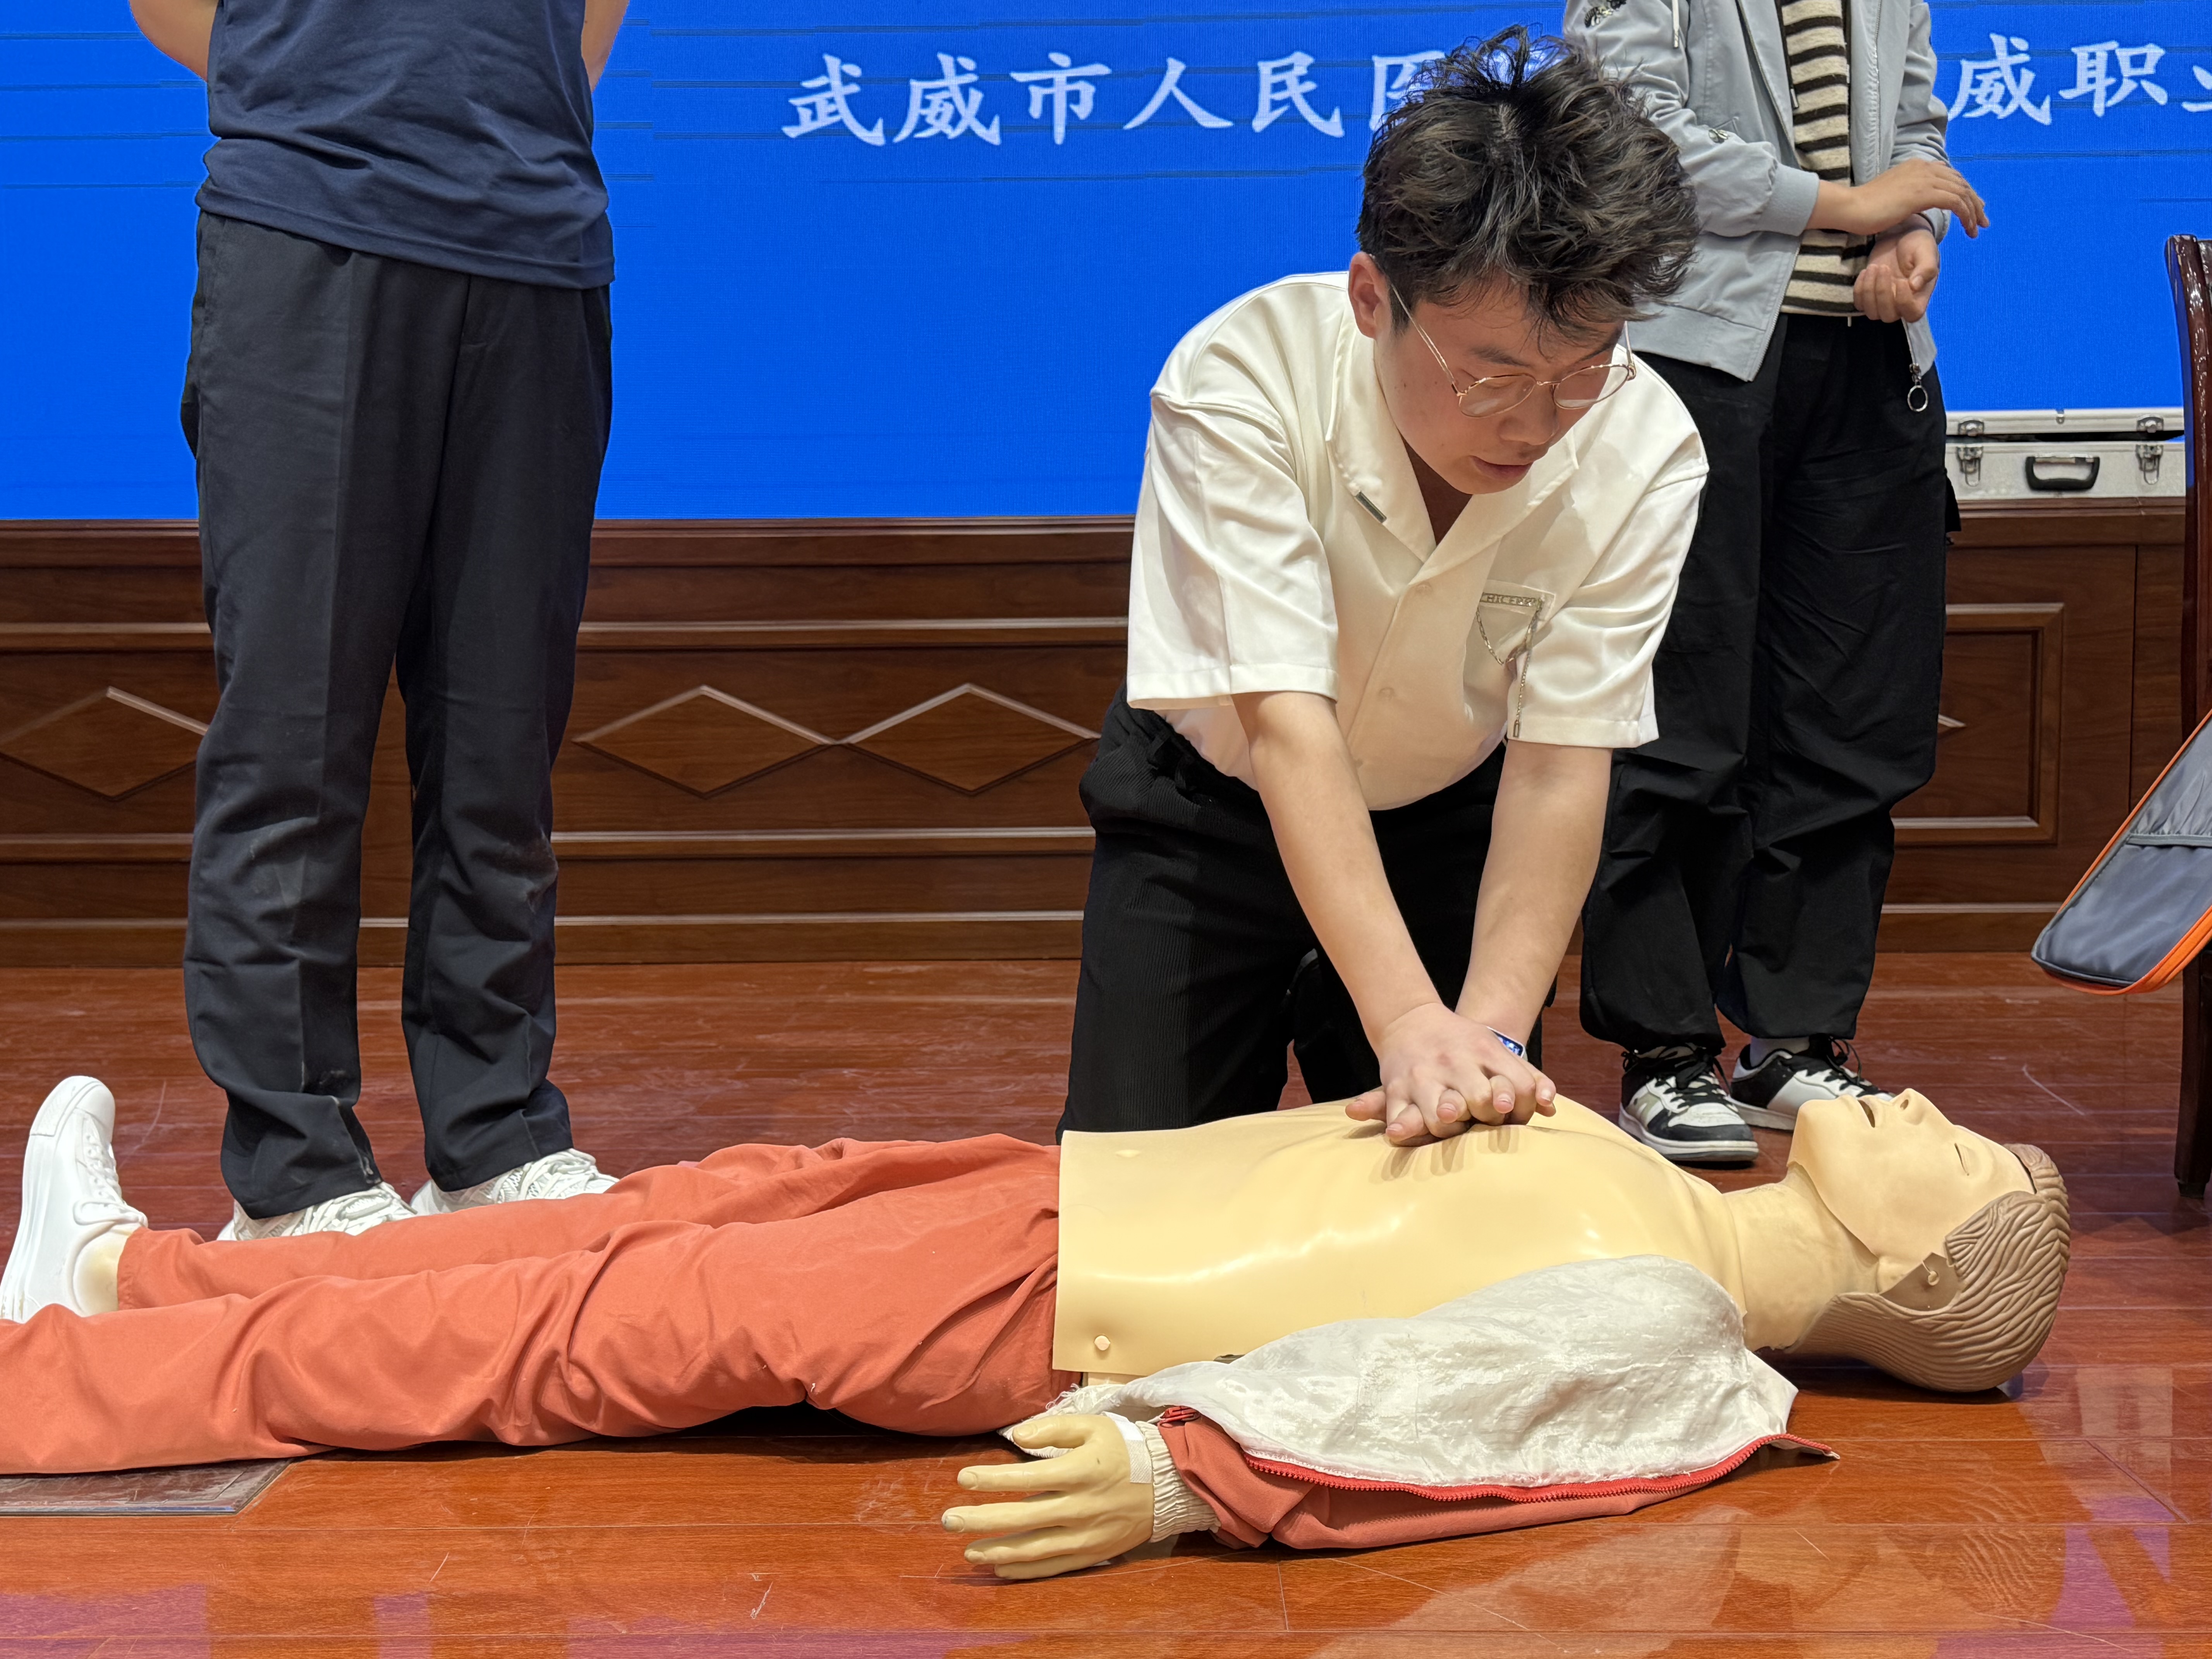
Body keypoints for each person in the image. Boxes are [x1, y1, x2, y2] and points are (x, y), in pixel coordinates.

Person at [0, 1072, 2069, 1580]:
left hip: (1047, 1302)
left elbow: (1449, 1410)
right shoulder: (1656, 1181)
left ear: (1919, 1281)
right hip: (1062, 1189)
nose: (1919, 1101)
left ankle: (58, 1381)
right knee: (642, 1219)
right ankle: (130, 1281)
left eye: (1951, 1150)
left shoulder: (1682, 1326)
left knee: (563, 1324)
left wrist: (1188, 1468)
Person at [1060, 30, 1707, 1146]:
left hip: (1452, 817)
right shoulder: (1244, 382)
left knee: (1469, 1169)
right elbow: (1285, 723)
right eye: (1491, 374)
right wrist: (1405, 1016)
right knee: (1140, 1186)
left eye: (1582, 371)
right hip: (1213, 807)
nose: (1536, 424)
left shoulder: (1646, 452)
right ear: (1374, 298)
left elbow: (1560, 765)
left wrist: (1488, 1041)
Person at [124, 0, 631, 1236]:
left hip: (538, 246)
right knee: (294, 736)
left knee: (501, 744)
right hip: (311, 229)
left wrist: (492, 112)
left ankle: (497, 1134)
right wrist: (324, 84)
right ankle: (296, 1167)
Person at [1565, 0, 1990, 1163]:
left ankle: (1797, 1038)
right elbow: (1633, 139)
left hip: (1869, 364)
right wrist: (1850, 209)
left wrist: (1912, 232)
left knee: (1853, 714)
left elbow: (1915, 128)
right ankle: (1663, 1051)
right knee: (1675, 714)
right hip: (1693, 358)